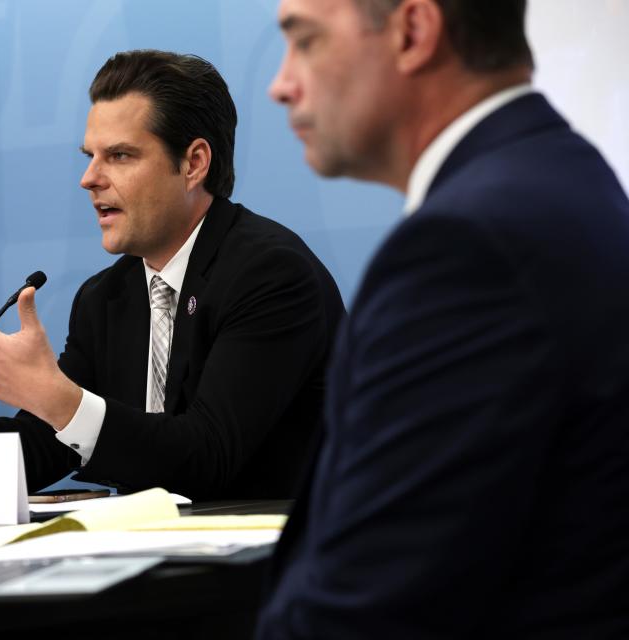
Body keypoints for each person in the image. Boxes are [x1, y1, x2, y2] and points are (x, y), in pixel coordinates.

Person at [258, 0, 629, 637]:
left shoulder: (467, 247)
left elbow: (366, 612)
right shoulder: (558, 178)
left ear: (413, 32)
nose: (281, 83)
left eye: (307, 41)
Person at [0, 50, 345, 500]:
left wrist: (57, 398)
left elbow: (208, 457)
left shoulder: (270, 275)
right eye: (89, 156)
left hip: (278, 573)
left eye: (120, 155)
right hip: (156, 571)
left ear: (193, 163)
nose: (89, 178)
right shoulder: (106, 298)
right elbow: (32, 456)